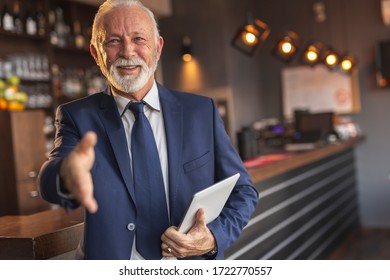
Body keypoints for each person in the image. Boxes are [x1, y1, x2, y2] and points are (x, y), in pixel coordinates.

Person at [38, 0, 258, 260]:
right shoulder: (77, 116)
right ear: (96, 54)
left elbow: (243, 192)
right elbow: (50, 181)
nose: (127, 52)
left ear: (158, 48)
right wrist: (66, 173)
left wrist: (212, 238)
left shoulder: (201, 112)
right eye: (113, 41)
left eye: (139, 38)